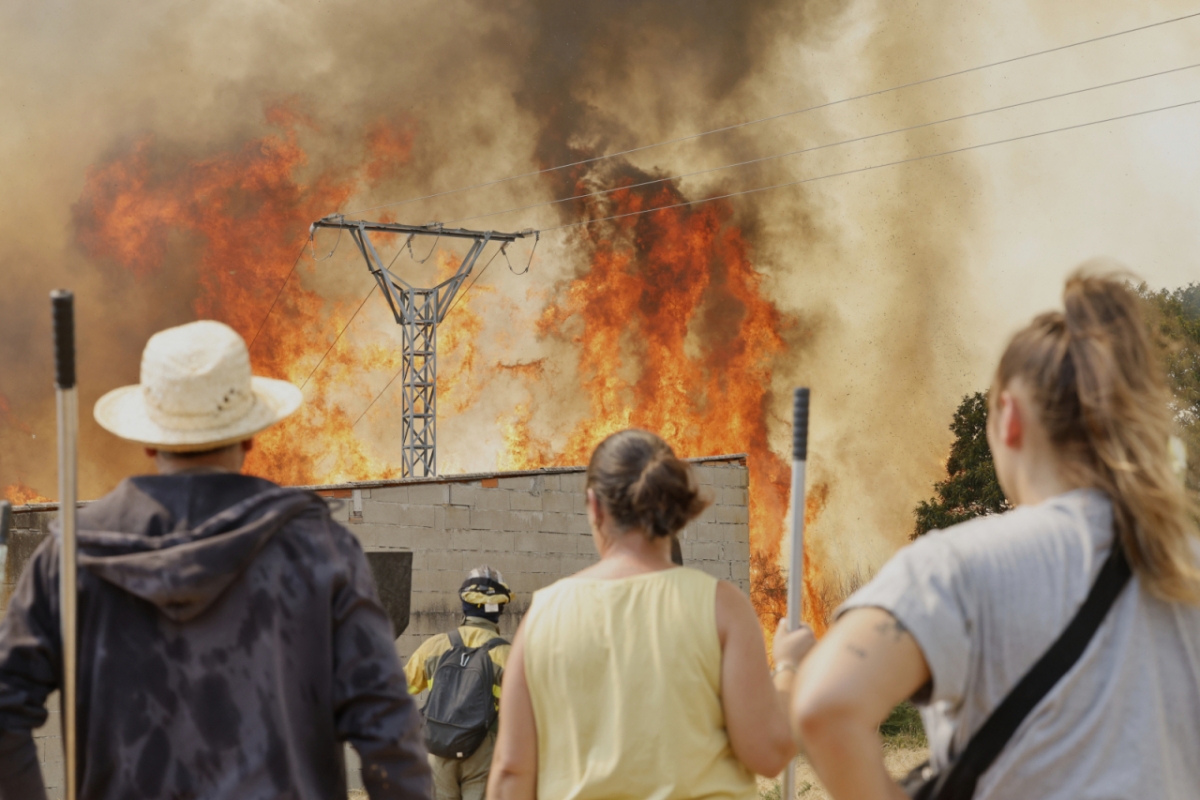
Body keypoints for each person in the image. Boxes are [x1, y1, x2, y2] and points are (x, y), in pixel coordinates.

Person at [791, 268, 1200, 799]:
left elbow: (827, 706)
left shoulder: (958, 566)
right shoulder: (1183, 562)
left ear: (1009, 417)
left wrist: (791, 668)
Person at [0, 320, 431, 799]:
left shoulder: (72, 557)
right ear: (250, 437)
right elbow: (386, 726)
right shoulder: (319, 549)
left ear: (148, 440)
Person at [488, 428, 816, 800]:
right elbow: (769, 752)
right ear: (675, 507)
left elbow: (512, 772)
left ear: (595, 507)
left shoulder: (543, 616)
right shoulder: (722, 607)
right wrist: (789, 666)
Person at [404, 566, 514, 800]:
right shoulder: (508, 655)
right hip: (483, 753)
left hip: (437, 751)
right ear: (499, 609)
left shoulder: (435, 646)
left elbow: (399, 689)